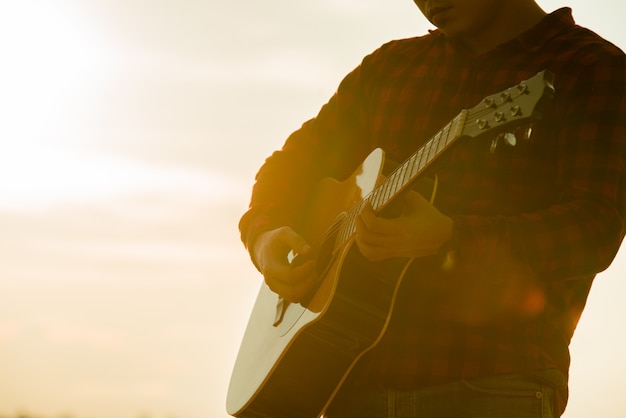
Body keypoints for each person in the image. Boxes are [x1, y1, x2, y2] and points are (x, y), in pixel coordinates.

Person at [238, 0, 626, 416]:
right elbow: (290, 166)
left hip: (492, 385)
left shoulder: (592, 68)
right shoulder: (391, 67)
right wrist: (264, 235)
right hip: (345, 385)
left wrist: (453, 237)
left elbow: (595, 225)